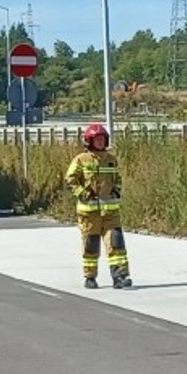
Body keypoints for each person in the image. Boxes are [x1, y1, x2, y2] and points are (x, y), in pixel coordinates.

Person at [64, 122, 131, 289]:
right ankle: (90, 277)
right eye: (97, 139)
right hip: (89, 214)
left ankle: (120, 277)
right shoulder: (81, 160)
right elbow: (70, 180)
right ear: (89, 141)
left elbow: (118, 179)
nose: (100, 142)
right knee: (91, 246)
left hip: (110, 213)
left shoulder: (111, 160)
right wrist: (82, 193)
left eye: (102, 139)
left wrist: (116, 191)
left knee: (116, 243)